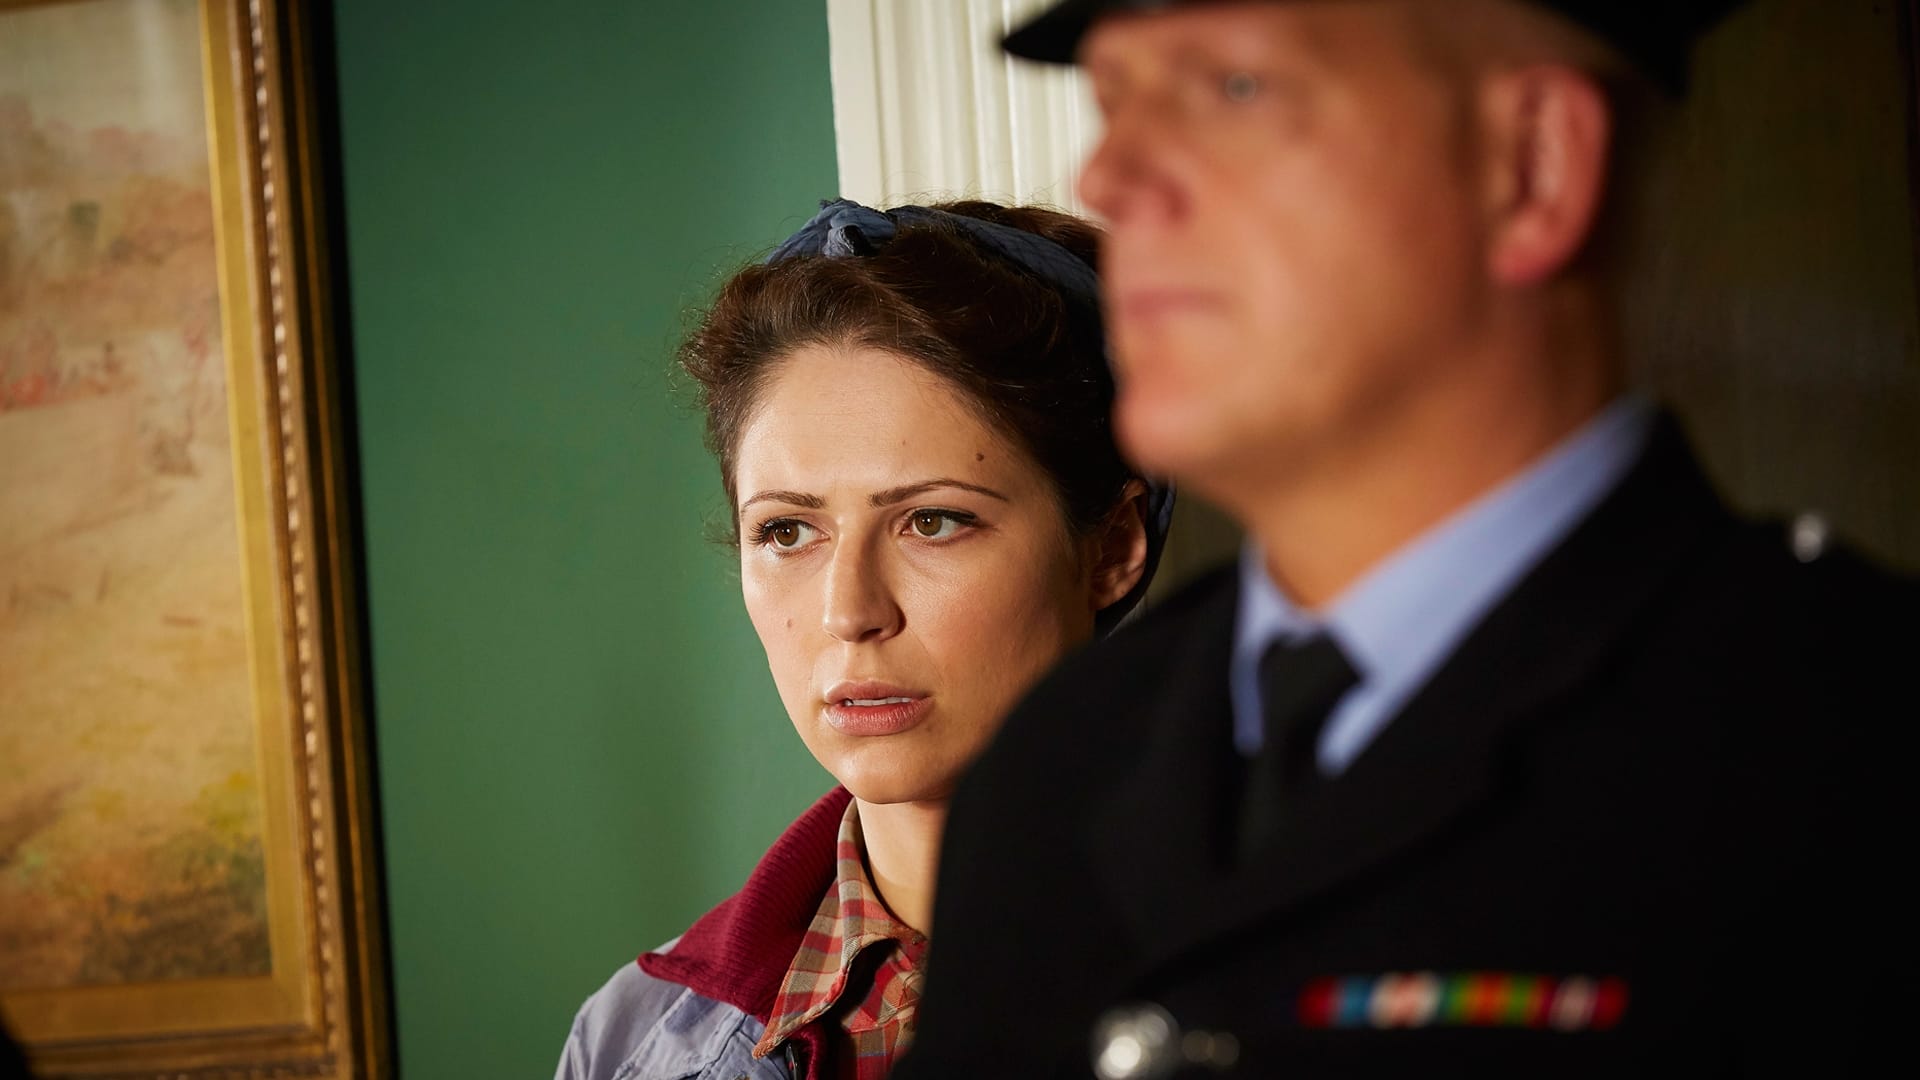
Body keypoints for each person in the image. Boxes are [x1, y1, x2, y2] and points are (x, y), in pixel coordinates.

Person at [895, 2, 1917, 1078]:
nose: (1108, 175)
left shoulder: (1857, 742)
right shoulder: (1059, 760)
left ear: (1532, 166)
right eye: (1112, 103)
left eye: (1235, 86)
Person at [553, 198, 1173, 1080]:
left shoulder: (1305, 975)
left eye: (934, 521)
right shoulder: (626, 1040)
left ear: (1110, 550)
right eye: (787, 532)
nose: (849, 612)